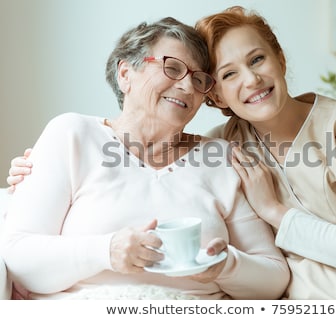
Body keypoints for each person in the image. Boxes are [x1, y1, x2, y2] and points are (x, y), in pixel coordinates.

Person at [7, 6, 336, 300]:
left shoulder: (332, 128)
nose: (251, 81)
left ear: (278, 57)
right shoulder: (220, 146)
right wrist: (39, 169)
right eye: (226, 74)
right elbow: (22, 250)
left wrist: (255, 231)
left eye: (257, 60)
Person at [0, 17, 290, 300]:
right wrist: (106, 251)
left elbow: (273, 279)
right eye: (173, 68)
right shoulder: (72, 134)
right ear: (125, 74)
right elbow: (19, 256)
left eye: (199, 79)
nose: (188, 87)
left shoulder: (222, 157)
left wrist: (224, 267)